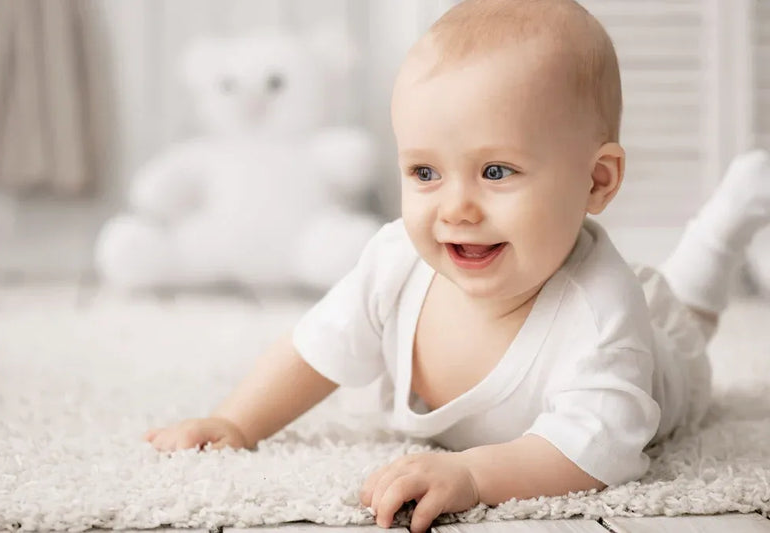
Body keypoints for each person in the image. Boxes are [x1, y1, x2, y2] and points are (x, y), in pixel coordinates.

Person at [143, 1, 770, 531]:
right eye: (425, 172)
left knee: (687, 322)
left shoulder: (601, 314)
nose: (456, 208)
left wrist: (474, 473)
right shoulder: (395, 260)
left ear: (596, 181)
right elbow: (313, 347)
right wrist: (236, 420)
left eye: (496, 172)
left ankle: (726, 223)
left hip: (660, 367)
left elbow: (592, 452)